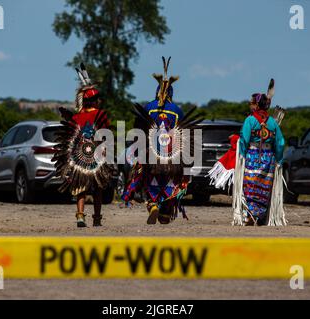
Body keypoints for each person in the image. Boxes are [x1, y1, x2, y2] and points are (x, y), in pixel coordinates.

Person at [122, 57, 201, 224]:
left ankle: (152, 205)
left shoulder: (149, 107)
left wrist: (137, 152)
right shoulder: (177, 110)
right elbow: (186, 133)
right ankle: (165, 213)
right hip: (173, 156)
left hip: (150, 154)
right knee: (170, 182)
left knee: (149, 179)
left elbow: (139, 130)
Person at [52, 63, 112, 228]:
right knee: (98, 187)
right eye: (98, 99)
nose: (99, 101)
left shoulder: (77, 117)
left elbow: (70, 136)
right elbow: (106, 134)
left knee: (80, 186)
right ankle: (97, 218)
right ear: (94, 100)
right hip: (97, 154)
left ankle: (80, 216)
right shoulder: (100, 114)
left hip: (79, 156)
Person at [232, 79, 286, 226]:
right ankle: (258, 215)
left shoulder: (250, 120)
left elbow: (244, 138)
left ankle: (250, 214)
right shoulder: (273, 122)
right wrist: (279, 159)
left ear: (256, 104)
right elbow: (280, 142)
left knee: (250, 184)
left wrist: (242, 155)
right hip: (268, 158)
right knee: (264, 186)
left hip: (251, 156)